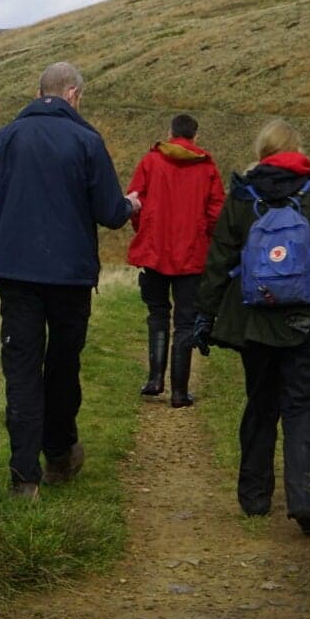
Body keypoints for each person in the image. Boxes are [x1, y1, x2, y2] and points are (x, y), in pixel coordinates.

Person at [0, 62, 138, 499]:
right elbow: (109, 213)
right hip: (69, 277)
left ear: (38, 91)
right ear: (73, 94)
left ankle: (24, 479)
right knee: (63, 365)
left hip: (16, 275)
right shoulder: (87, 140)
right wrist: (132, 205)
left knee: (22, 370)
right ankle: (60, 456)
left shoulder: (6, 137)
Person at [191, 120, 310, 535]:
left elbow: (218, 263)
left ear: (261, 151)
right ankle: (307, 501)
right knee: (309, 409)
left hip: (257, 325)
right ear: (297, 150)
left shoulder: (241, 198)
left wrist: (205, 314)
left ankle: (254, 498)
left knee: (261, 404)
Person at [125, 113, 225, 408]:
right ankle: (179, 392)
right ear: (196, 136)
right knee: (185, 322)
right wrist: (203, 235)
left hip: (155, 251)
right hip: (192, 256)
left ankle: (155, 379)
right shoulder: (206, 166)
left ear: (170, 132)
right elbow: (216, 212)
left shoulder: (151, 161)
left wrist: (145, 230)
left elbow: (134, 201)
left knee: (157, 312)